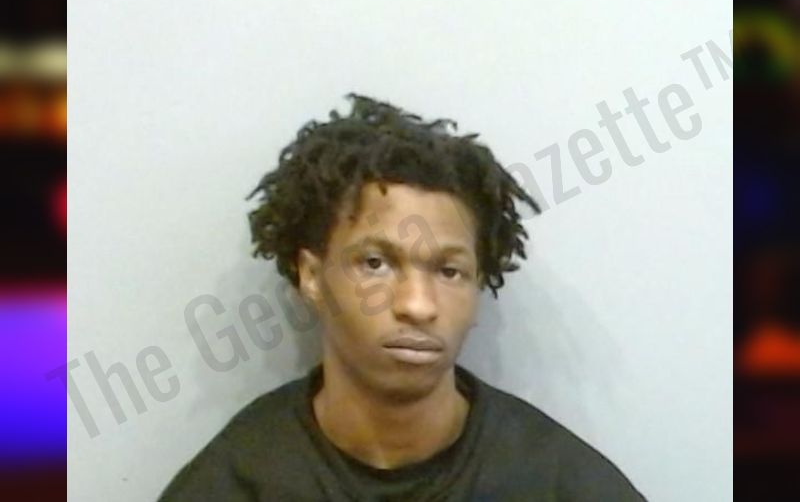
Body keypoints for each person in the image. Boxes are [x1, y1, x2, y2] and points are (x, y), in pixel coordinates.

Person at [159, 94, 646, 501]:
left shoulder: (557, 482)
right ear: (312, 276)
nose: (418, 305)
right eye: (376, 263)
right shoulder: (239, 482)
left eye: (449, 271)